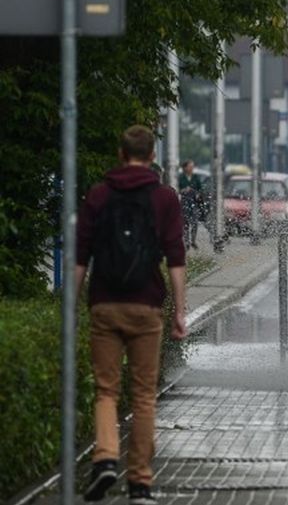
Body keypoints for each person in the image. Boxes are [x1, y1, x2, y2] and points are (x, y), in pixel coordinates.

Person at [76, 125, 188, 505]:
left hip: (105, 304)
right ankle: (140, 484)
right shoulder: (164, 198)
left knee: (106, 391)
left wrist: (73, 307)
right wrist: (180, 313)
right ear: (152, 156)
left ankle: (105, 459)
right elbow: (176, 258)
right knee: (143, 397)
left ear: (121, 154)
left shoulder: (98, 194)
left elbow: (80, 258)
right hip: (147, 305)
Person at [178, 159, 203, 249]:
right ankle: (186, 241)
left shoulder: (195, 177)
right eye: (190, 166)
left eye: (192, 167)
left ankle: (193, 240)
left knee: (195, 222)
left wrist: (197, 194)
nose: (191, 168)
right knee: (185, 223)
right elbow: (176, 188)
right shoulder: (180, 177)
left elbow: (200, 188)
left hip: (194, 202)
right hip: (184, 202)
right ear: (185, 168)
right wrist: (183, 190)